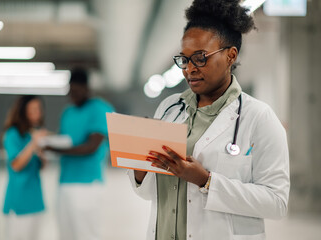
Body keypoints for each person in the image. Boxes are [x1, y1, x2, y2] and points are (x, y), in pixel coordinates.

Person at [128, 0, 290, 239]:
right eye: (184, 59)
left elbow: (277, 203)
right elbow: (153, 192)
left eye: (200, 57)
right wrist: (140, 168)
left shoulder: (259, 117)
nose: (189, 69)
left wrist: (205, 181)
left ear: (230, 55)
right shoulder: (169, 109)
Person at [44, 68, 115, 240]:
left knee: (87, 234)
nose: (71, 95)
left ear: (86, 88)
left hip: (87, 185)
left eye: (75, 90)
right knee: (65, 234)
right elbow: (63, 139)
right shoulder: (68, 112)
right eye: (69, 90)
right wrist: (46, 141)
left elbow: (91, 146)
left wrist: (55, 149)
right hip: (64, 183)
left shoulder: (99, 108)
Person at [2, 95, 48, 240]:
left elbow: (41, 166)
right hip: (19, 201)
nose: (37, 114)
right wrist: (34, 144)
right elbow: (16, 165)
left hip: (36, 199)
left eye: (39, 109)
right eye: (33, 110)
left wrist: (42, 153)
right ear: (23, 112)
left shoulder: (33, 132)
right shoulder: (12, 134)